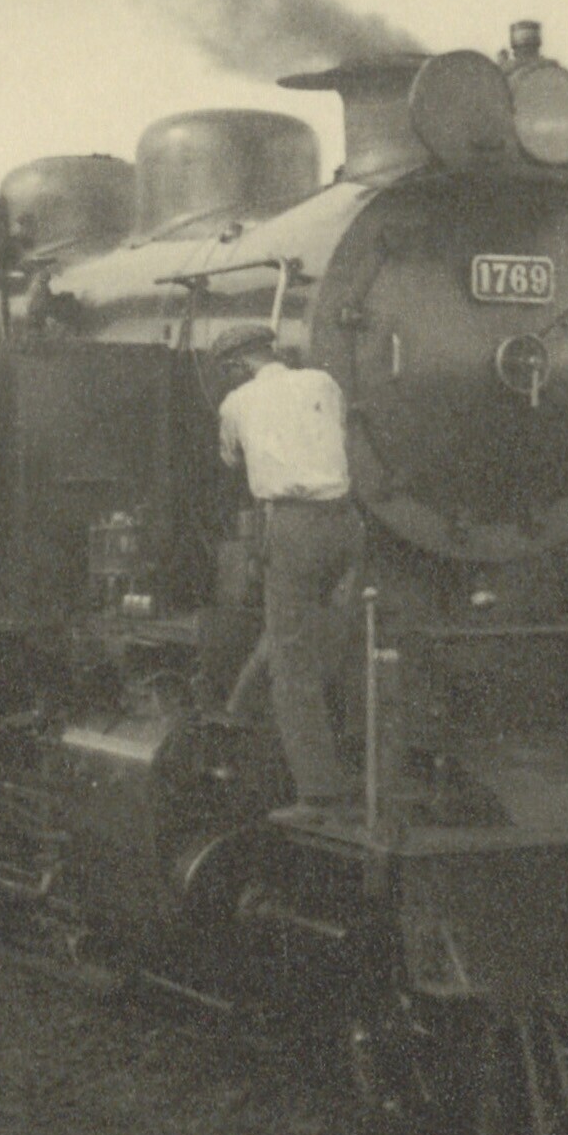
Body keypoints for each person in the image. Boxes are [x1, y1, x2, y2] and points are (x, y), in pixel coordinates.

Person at [214, 324, 365, 825]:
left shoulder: (237, 401)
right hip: (347, 523)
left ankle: (318, 794)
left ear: (237, 366)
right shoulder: (323, 382)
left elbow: (229, 460)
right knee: (335, 638)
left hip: (295, 528)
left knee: (292, 663)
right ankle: (359, 762)